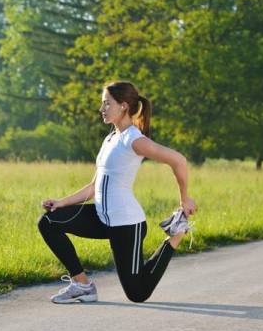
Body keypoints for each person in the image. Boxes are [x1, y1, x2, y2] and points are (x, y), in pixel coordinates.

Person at [38, 81, 197, 303]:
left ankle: (176, 235)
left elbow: (178, 160)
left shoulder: (133, 140)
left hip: (126, 224)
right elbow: (94, 186)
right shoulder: (110, 138)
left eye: (106, 103)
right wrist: (61, 203)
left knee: (137, 293)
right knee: (48, 222)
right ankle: (82, 285)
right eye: (102, 104)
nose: (101, 108)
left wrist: (184, 198)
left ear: (123, 106)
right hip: (102, 216)